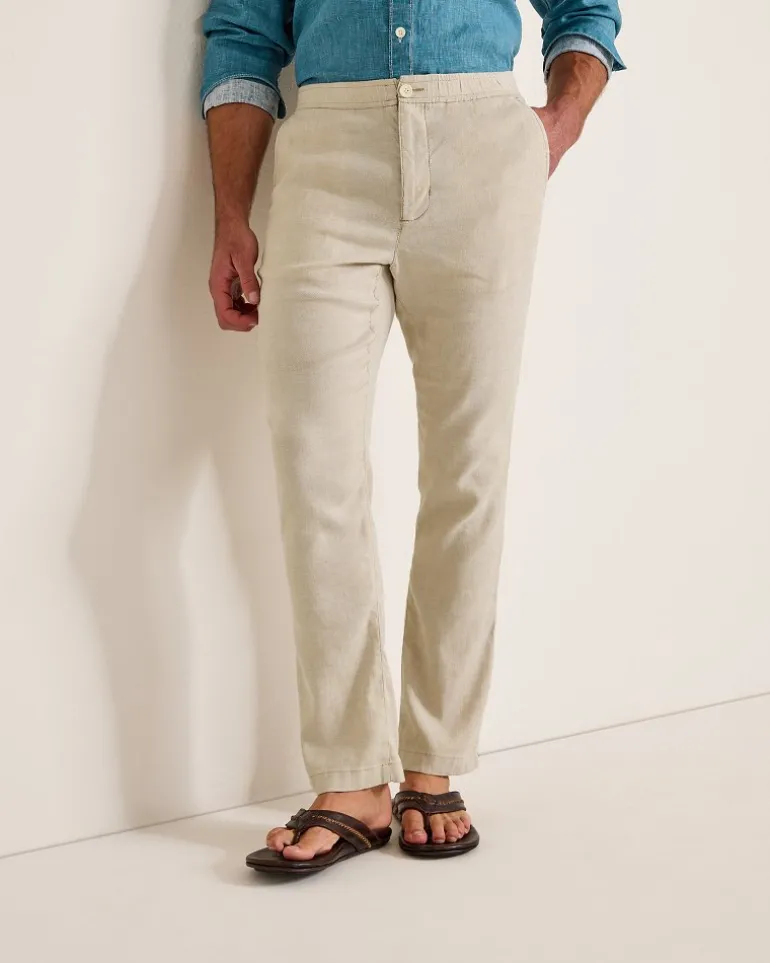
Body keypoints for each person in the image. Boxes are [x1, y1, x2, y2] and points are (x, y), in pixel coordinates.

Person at [201, 0, 624, 876]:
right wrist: (230, 213)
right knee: (314, 466)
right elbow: (244, 32)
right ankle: (352, 775)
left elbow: (588, 11)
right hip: (327, 151)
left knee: (469, 467)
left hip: (482, 148)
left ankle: (434, 760)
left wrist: (557, 123)